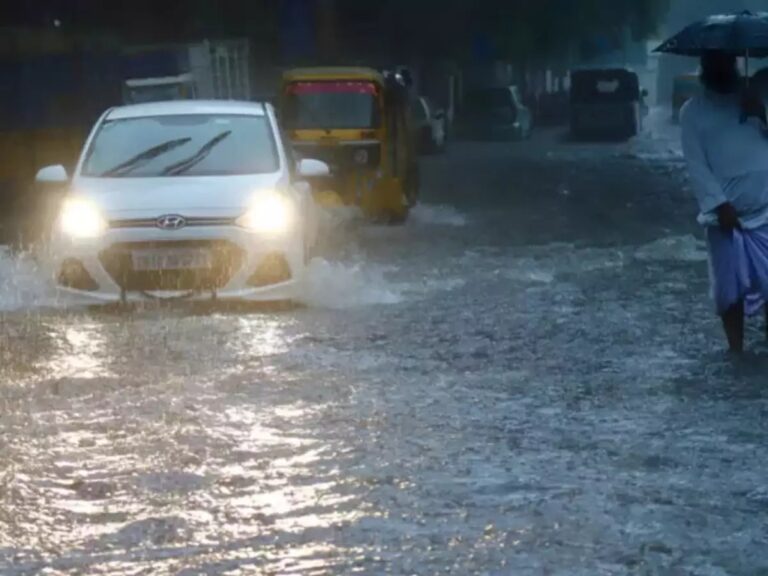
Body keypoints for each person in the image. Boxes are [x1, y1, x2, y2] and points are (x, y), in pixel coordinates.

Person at [680, 51, 768, 353]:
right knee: (729, 295)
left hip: (767, 210)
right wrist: (719, 204)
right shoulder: (692, 112)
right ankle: (736, 353)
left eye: (726, 61)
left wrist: (762, 113)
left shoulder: (757, 95)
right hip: (725, 218)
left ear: (734, 64)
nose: (721, 68)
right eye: (713, 63)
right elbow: (696, 167)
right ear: (704, 68)